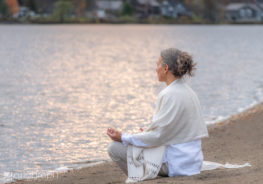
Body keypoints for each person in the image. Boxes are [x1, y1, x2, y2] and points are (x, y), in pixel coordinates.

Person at [106, 48, 209, 183]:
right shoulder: (189, 92)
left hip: (176, 165)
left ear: (166, 68)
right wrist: (146, 133)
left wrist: (123, 137)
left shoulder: (168, 94)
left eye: (158, 64)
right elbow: (170, 131)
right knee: (139, 140)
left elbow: (158, 136)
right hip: (192, 162)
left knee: (114, 148)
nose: (156, 69)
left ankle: (140, 176)